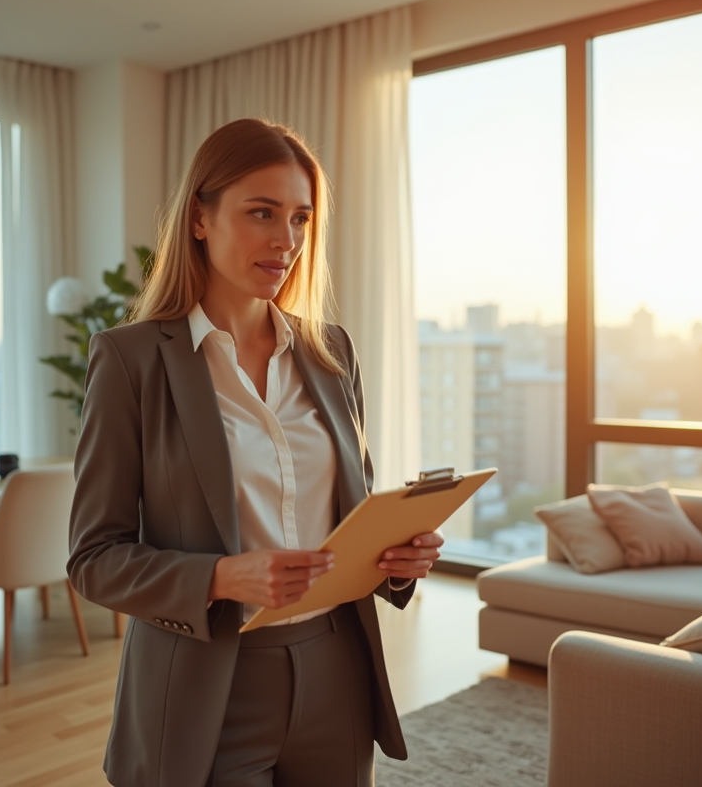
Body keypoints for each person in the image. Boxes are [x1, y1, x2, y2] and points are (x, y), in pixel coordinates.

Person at [67, 117, 444, 787]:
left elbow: (354, 511)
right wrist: (220, 578)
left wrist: (396, 560)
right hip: (205, 682)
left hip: (338, 668)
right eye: (262, 213)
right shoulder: (130, 363)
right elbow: (94, 561)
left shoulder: (332, 352)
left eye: (300, 218)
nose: (287, 240)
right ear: (200, 219)